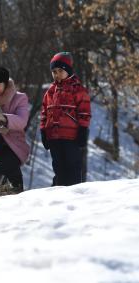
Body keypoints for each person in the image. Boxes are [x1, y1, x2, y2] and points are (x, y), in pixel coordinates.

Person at [40, 52, 91, 186]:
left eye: (60, 71)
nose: (57, 74)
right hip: (54, 137)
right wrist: (43, 131)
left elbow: (84, 112)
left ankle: (74, 192)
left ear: (68, 70)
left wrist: (83, 129)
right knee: (58, 166)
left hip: (71, 137)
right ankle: (58, 191)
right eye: (54, 71)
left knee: (72, 166)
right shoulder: (50, 91)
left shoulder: (78, 89)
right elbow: (44, 112)